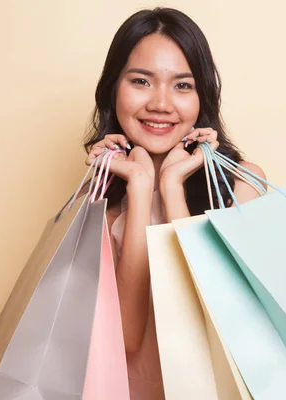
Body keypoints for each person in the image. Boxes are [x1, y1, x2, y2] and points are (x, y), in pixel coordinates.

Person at [83, 7, 266, 399]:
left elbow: (219, 328)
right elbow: (124, 341)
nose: (161, 104)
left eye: (182, 85)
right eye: (141, 81)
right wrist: (138, 184)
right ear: (113, 89)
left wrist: (171, 189)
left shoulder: (241, 184)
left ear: (203, 96)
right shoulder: (98, 197)